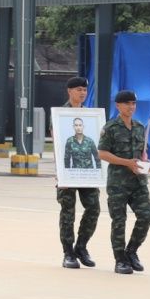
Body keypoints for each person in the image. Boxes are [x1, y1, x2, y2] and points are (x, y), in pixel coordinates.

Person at [98, 89, 150, 275]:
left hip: (138, 181)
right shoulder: (111, 128)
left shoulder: (139, 127)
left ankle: (132, 251)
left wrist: (145, 163)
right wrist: (126, 163)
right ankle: (120, 259)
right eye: (127, 104)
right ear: (118, 106)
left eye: (133, 104)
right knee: (119, 220)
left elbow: (141, 153)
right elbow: (102, 153)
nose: (131, 107)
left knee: (146, 214)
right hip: (118, 183)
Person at [56, 77, 100, 270]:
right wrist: (61, 175)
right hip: (69, 174)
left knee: (93, 208)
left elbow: (96, 151)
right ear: (69, 91)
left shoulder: (90, 116)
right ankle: (68, 253)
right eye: (78, 89)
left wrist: (99, 173)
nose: (82, 93)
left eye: (84, 90)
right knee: (68, 212)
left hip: (88, 174)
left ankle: (81, 246)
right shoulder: (60, 114)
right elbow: (59, 147)